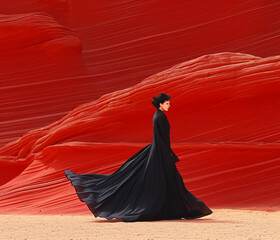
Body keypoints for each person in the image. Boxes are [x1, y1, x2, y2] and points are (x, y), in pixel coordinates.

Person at [63, 93, 213, 222]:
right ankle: (183, 208)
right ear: (160, 104)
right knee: (169, 182)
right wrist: (168, 154)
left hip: (158, 151)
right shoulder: (160, 117)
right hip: (160, 153)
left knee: (170, 182)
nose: (169, 106)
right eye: (167, 103)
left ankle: (180, 208)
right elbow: (162, 139)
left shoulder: (157, 116)